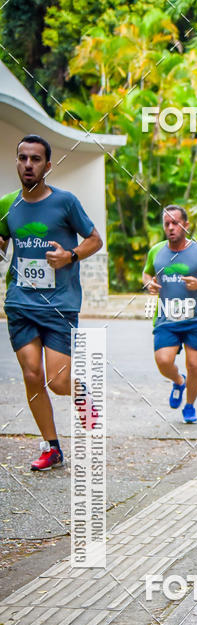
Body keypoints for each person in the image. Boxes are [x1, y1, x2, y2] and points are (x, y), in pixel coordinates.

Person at [0, 134, 103, 471]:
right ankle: (51, 447)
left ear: (47, 165)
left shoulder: (65, 202)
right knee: (32, 373)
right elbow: (3, 241)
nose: (28, 164)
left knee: (59, 383)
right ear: (17, 161)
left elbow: (94, 240)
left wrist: (70, 255)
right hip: (20, 302)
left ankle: (83, 395)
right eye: (22, 158)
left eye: (35, 159)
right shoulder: (7, 204)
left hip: (59, 303)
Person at [143, 205, 197, 423]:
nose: (171, 228)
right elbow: (147, 273)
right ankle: (179, 381)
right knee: (163, 360)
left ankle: (189, 406)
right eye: (167, 224)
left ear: (186, 225)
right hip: (166, 317)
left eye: (176, 223)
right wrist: (149, 283)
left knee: (195, 364)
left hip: (195, 318)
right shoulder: (157, 251)